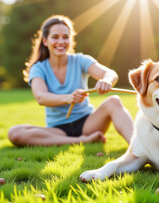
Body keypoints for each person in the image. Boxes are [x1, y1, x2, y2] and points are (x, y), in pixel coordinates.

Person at [8, 15, 134, 146]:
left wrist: (107, 80)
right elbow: (41, 97)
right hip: (57, 130)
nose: (61, 42)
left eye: (65, 37)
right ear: (45, 41)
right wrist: (68, 98)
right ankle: (82, 140)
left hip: (88, 124)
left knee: (114, 101)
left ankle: (137, 148)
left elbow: (110, 73)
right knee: (15, 132)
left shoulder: (80, 60)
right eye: (55, 37)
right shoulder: (38, 68)